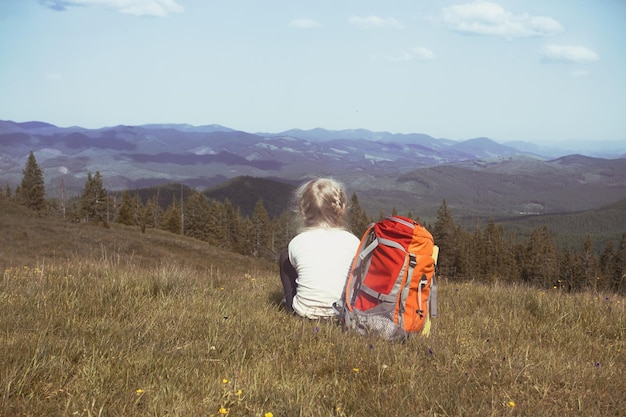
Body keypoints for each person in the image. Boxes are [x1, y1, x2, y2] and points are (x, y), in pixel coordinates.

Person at [279, 178, 360, 319]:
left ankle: (292, 303)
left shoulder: (297, 242)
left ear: (303, 211)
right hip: (345, 317)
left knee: (285, 257)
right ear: (341, 209)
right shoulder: (353, 242)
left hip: (305, 315)